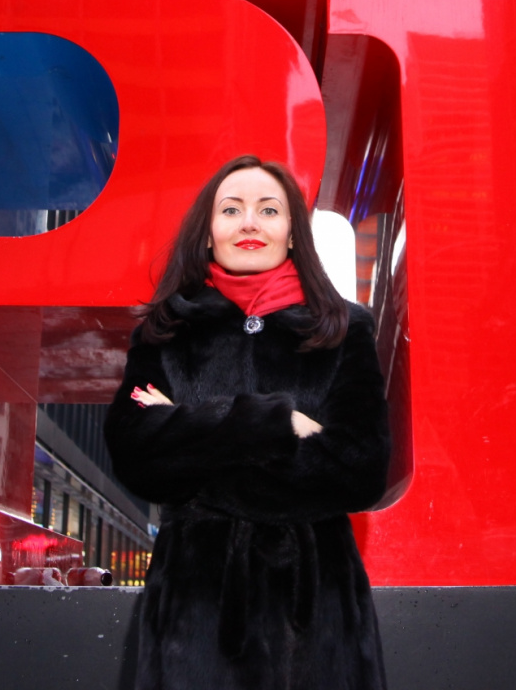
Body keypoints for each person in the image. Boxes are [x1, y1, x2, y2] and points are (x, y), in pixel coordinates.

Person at [105, 155, 392, 690]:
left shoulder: (343, 329)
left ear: (293, 232)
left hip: (318, 618)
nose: (250, 223)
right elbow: (136, 454)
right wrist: (274, 422)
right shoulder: (166, 331)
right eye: (231, 209)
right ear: (208, 233)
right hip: (193, 621)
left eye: (269, 210)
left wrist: (192, 443)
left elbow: (362, 468)